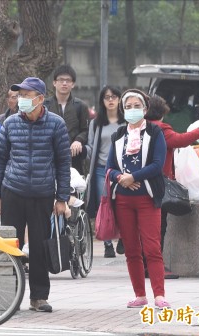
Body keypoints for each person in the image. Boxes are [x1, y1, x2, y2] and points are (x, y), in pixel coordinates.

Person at [0, 77, 71, 313]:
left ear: (40, 98)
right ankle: (11, 298)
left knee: (38, 246)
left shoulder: (56, 124)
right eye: (19, 95)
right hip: (12, 190)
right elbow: (1, 159)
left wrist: (62, 198)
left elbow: (63, 163)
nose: (21, 99)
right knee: (11, 246)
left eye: (26, 95)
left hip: (42, 193)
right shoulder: (10, 123)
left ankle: (39, 297)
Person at [106, 89, 169, 309]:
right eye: (128, 106)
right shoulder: (118, 135)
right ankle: (140, 295)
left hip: (147, 198)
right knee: (131, 249)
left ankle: (159, 295)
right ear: (123, 109)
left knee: (152, 248)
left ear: (145, 108)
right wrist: (121, 177)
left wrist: (134, 176)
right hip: (123, 200)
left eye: (137, 106)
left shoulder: (155, 132)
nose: (132, 110)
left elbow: (157, 164)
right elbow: (109, 167)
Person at [144, 94, 199, 279]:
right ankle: (155, 267)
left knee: (145, 226)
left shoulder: (138, 129)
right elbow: (180, 140)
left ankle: (144, 265)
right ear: (161, 112)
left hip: (138, 183)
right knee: (158, 226)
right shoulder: (160, 129)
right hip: (157, 184)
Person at [85, 86, 126, 258]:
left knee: (122, 204)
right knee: (106, 204)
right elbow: (91, 146)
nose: (110, 100)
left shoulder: (126, 122)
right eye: (107, 97)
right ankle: (108, 243)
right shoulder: (96, 123)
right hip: (102, 169)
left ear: (119, 100)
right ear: (102, 101)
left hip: (123, 170)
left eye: (114, 97)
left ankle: (123, 237)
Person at [43, 64, 90, 175]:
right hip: (48, 158)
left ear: (73, 84)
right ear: (54, 83)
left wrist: (78, 140)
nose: (64, 83)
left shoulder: (80, 106)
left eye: (68, 80)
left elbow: (86, 130)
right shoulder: (45, 105)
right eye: (61, 80)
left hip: (73, 158)